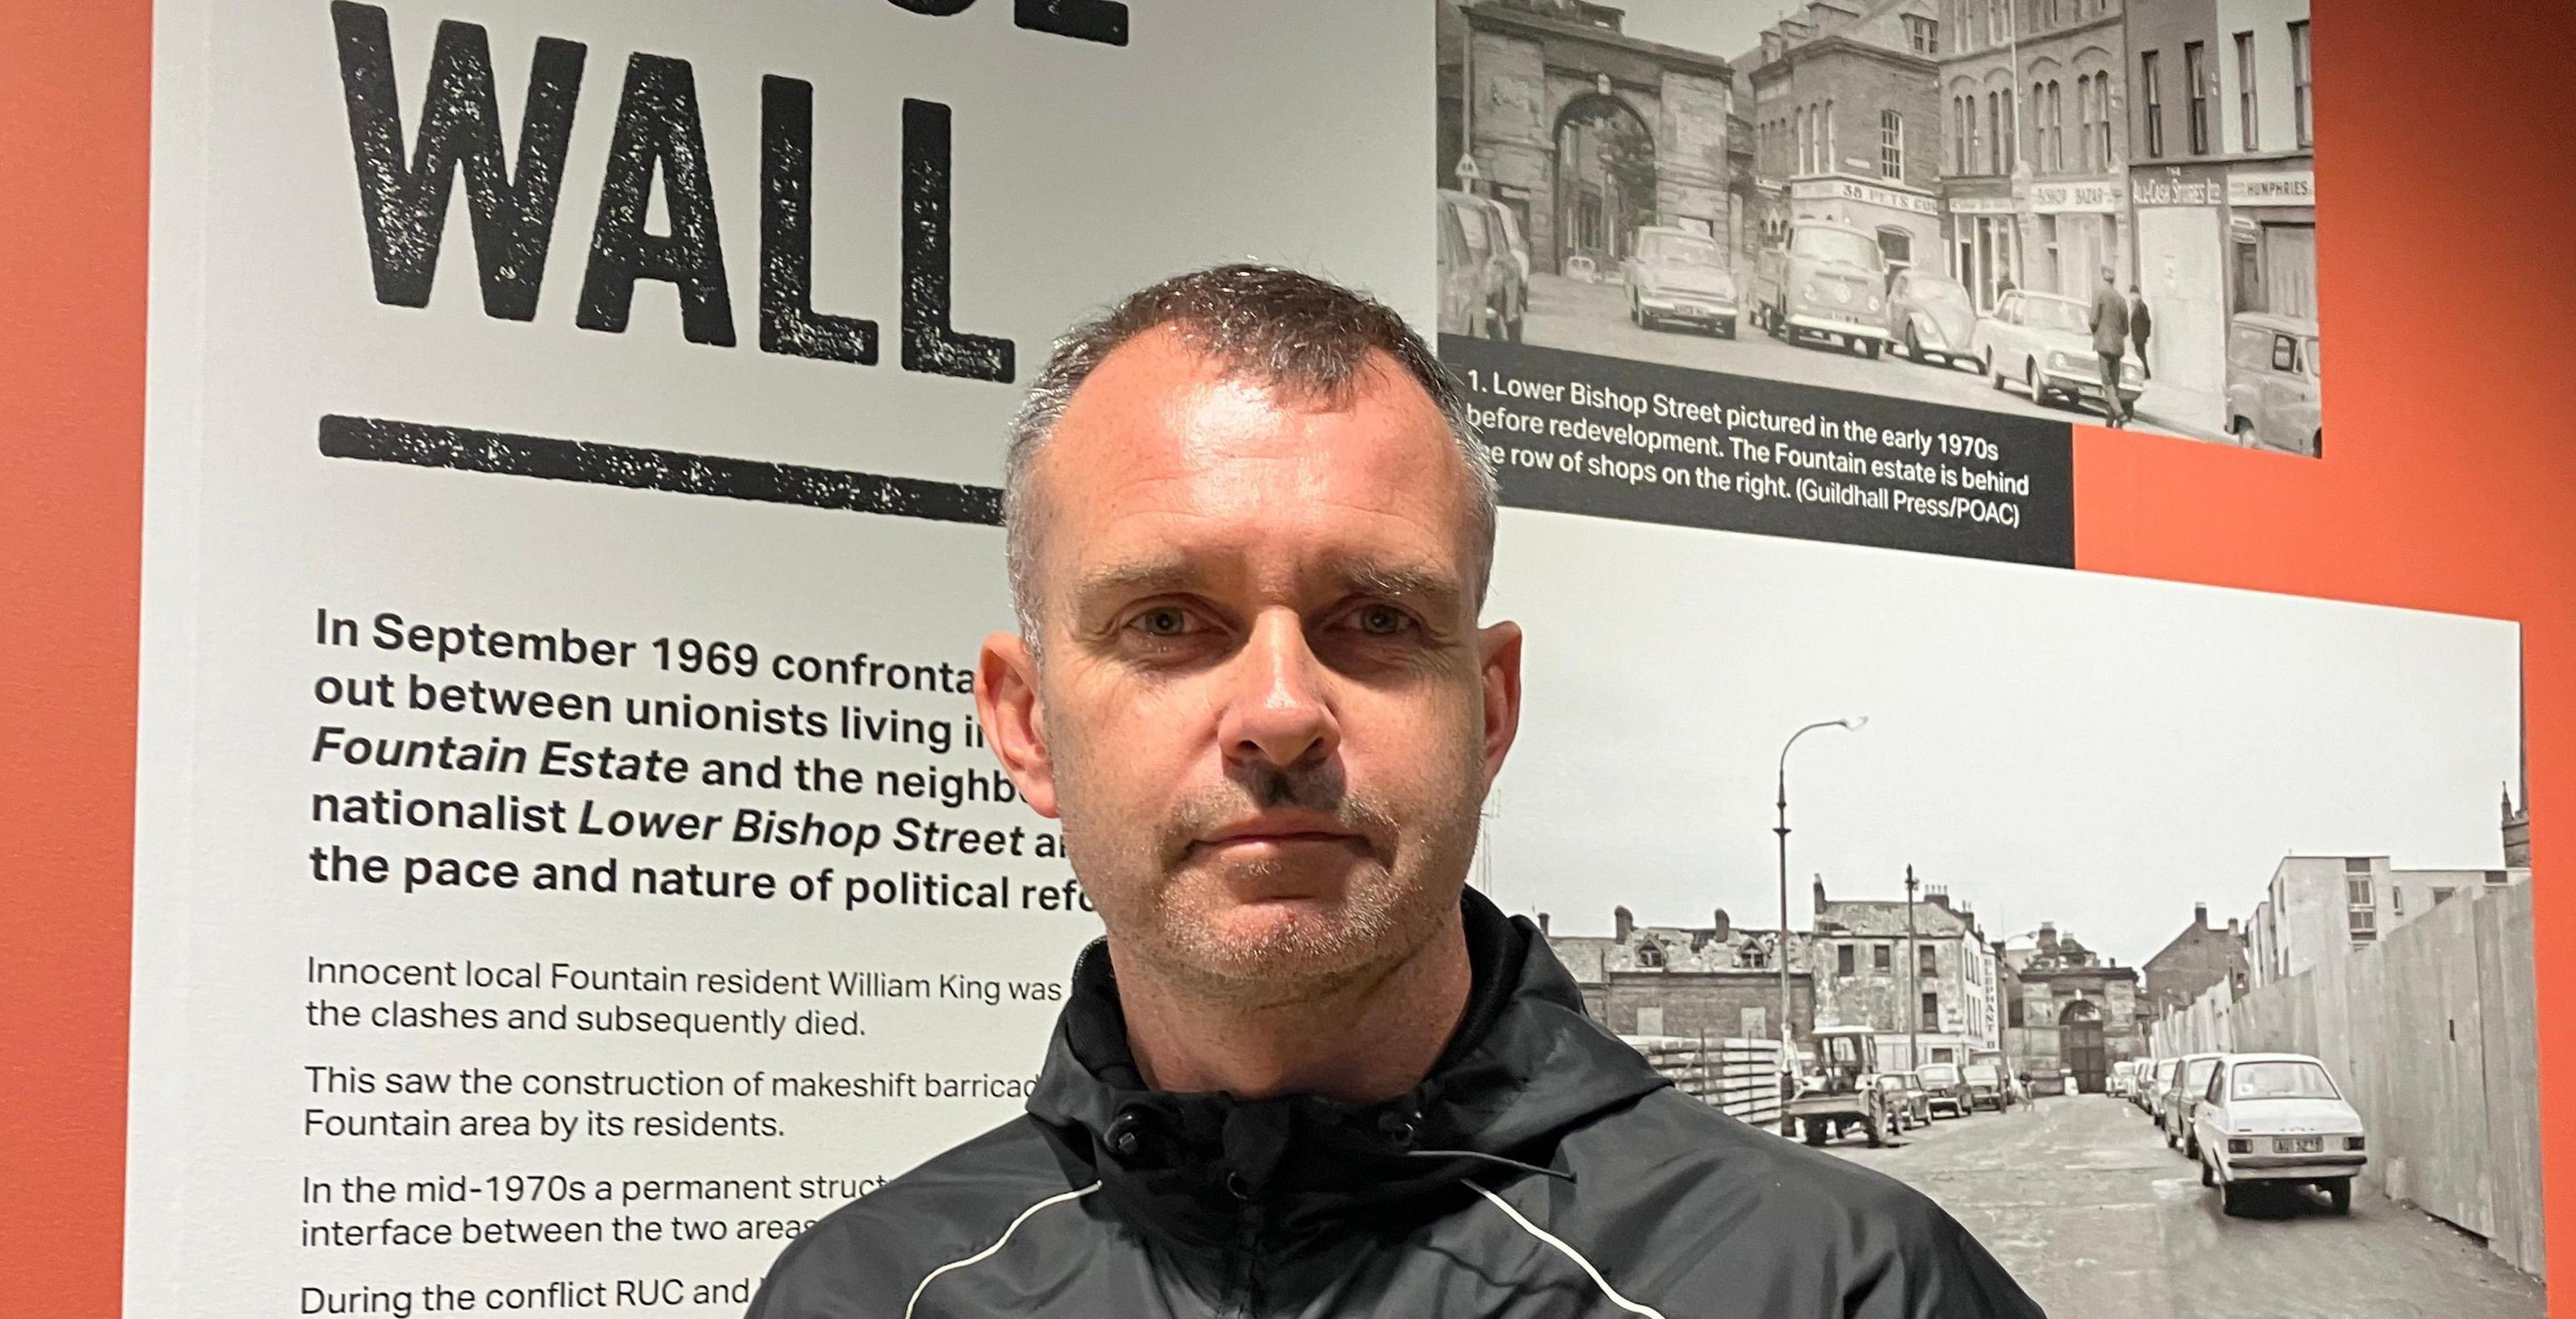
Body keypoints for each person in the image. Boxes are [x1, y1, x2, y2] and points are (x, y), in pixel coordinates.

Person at [745, 265, 2045, 1319]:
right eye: (1166, 617)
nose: (1276, 710)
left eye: (1372, 615)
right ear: (1027, 724)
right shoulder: (869, 1291)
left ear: (1487, 711)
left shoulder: (1836, 1284)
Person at [2089, 266, 2131, 428]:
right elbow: (2126, 329)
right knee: (2115, 384)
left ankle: (2120, 414)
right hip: (2118, 347)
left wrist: (2097, 334)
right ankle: (2111, 423)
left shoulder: (2099, 294)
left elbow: (2093, 320)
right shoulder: (2121, 299)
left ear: (2102, 278)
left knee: (2107, 384)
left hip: (2104, 346)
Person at [2127, 283, 2154, 380]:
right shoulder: (2137, 306)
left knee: (2141, 355)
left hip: (2140, 336)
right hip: (2138, 335)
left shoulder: (2141, 306)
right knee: (2140, 354)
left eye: (2132, 295)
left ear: (2136, 294)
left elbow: (2147, 321)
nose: (2131, 298)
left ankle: (2146, 373)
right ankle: (2145, 373)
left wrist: (2145, 335)